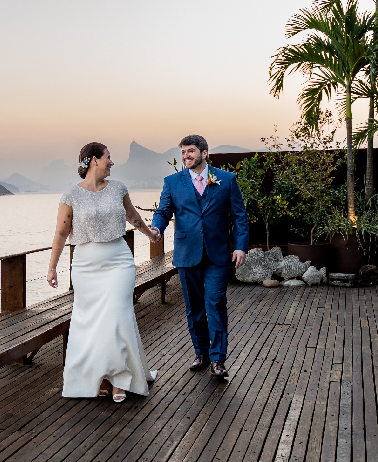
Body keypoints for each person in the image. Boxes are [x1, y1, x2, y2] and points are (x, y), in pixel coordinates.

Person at [47, 142, 160, 403]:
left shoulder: (118, 188)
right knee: (91, 322)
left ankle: (119, 378)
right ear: (94, 160)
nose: (112, 162)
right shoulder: (71, 196)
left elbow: (132, 217)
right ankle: (99, 376)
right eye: (108, 157)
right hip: (86, 265)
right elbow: (61, 233)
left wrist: (150, 234)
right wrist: (52, 267)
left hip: (118, 261)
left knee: (117, 314)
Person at [151, 135, 248, 378]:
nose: (186, 156)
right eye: (183, 152)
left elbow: (239, 216)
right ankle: (201, 353)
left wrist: (240, 247)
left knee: (215, 303)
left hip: (217, 253)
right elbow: (163, 211)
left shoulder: (226, 179)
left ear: (205, 153)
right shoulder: (173, 182)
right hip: (187, 253)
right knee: (194, 307)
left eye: (191, 151)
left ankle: (218, 359)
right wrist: (156, 229)